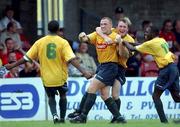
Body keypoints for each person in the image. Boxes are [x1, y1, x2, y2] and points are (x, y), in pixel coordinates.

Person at [4, 20, 92, 124]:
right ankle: (62, 119)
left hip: (47, 77)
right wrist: (84, 71)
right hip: (60, 76)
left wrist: (12, 65)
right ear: (58, 30)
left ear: (48, 29)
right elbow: (71, 59)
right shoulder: (63, 42)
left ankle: (55, 115)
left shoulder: (40, 42)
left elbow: (26, 58)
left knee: (51, 97)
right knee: (63, 96)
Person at [69, 17, 126, 124]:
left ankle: (82, 116)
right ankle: (119, 118)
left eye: (105, 24)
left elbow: (122, 54)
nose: (103, 26)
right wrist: (81, 36)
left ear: (111, 26)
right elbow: (84, 39)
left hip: (111, 66)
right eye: (101, 24)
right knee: (104, 94)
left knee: (92, 88)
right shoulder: (98, 34)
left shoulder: (115, 36)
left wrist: (118, 43)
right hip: (102, 66)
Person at [122, 26, 180, 123]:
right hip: (174, 68)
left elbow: (132, 48)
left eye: (147, 32)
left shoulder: (151, 43)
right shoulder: (161, 40)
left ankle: (164, 122)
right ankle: (164, 122)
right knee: (176, 97)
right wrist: (129, 42)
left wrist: (123, 41)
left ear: (153, 34)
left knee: (155, 96)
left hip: (166, 70)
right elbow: (143, 45)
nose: (145, 34)